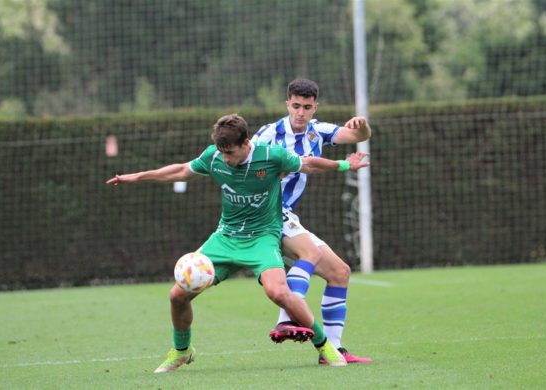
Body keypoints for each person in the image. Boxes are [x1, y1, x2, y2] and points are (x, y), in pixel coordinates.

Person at [106, 114, 370, 372]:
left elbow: (309, 163)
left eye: (230, 153)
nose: (225, 159)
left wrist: (345, 165)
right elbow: (182, 170)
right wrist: (136, 176)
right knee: (177, 295)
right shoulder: (214, 156)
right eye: (222, 153)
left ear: (246, 144)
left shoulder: (271, 156)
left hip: (262, 237)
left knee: (279, 293)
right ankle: (182, 351)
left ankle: (325, 346)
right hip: (225, 238)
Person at [252, 79, 373, 364]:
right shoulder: (268, 134)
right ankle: (285, 319)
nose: (301, 113)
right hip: (265, 212)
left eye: (307, 107)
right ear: (287, 104)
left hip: (286, 214)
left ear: (314, 107)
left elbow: (356, 136)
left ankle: (333, 349)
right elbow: (247, 166)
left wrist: (362, 124)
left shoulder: (318, 130)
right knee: (310, 253)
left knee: (339, 272)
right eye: (296, 106)